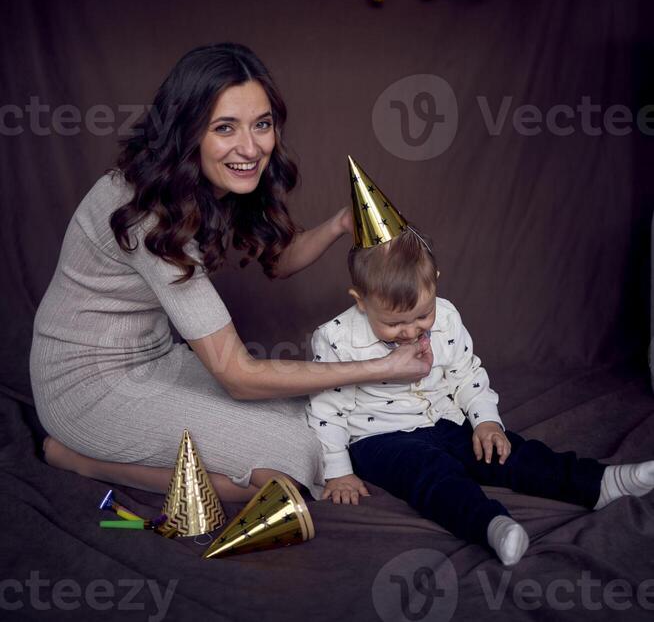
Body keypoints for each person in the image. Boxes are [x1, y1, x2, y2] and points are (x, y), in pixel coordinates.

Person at [29, 45, 432, 503]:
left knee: (315, 415)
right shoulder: (147, 213)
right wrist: (381, 368)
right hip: (86, 390)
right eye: (225, 128)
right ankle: (77, 457)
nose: (251, 147)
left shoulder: (209, 178)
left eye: (261, 124)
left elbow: (277, 261)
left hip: (155, 361)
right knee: (298, 454)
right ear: (187, 132)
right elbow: (238, 375)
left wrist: (342, 223)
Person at [306, 157, 654, 564]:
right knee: (432, 475)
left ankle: (599, 483)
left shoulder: (448, 315)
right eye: (395, 323)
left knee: (508, 451)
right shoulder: (335, 337)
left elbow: (466, 372)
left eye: (422, 316)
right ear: (360, 302)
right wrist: (338, 470)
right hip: (380, 439)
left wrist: (486, 419)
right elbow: (326, 408)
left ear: (435, 282)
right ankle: (491, 525)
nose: (412, 331)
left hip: (446, 418)